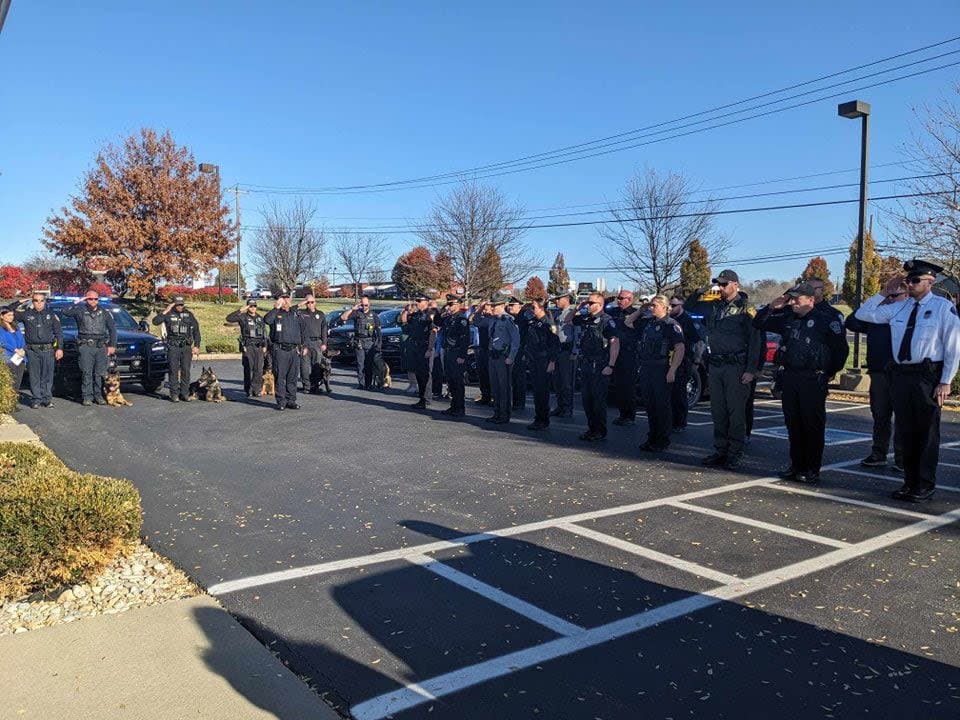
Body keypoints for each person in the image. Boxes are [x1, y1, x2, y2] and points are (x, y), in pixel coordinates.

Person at [855, 260, 960, 502]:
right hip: (901, 375)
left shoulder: (943, 308)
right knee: (906, 431)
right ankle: (909, 483)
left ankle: (924, 485)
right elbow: (864, 314)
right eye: (908, 281)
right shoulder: (899, 307)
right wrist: (884, 292)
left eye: (915, 280)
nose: (910, 285)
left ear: (930, 281)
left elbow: (953, 347)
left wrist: (946, 381)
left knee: (926, 433)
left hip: (927, 375)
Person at [755, 283, 849, 483]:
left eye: (798, 299)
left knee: (812, 425)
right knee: (793, 424)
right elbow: (759, 323)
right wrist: (771, 307)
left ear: (810, 300)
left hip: (812, 378)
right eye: (792, 298)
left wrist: (829, 372)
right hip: (790, 377)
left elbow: (840, 350)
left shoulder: (825, 320)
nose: (794, 302)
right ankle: (796, 465)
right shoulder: (788, 317)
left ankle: (812, 468)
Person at [685, 269, 761, 470]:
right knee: (718, 411)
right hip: (716, 365)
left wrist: (751, 369)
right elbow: (688, 306)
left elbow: (755, 341)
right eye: (719, 284)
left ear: (735, 284)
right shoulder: (713, 306)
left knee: (735, 413)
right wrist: (702, 289)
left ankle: (735, 452)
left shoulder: (747, 308)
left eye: (724, 284)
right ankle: (721, 450)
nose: (721, 287)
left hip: (736, 366)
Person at [846, 301, 904, 472]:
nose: (890, 299)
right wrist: (878, 298)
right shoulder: (874, 316)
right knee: (880, 415)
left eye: (895, 295)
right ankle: (879, 453)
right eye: (889, 295)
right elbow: (851, 321)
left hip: (901, 373)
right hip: (879, 373)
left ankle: (902, 458)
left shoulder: (907, 314)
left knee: (902, 417)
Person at [627, 295, 685, 452]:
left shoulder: (671, 325)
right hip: (647, 368)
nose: (652, 308)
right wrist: (641, 309)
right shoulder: (649, 323)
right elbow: (628, 322)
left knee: (661, 406)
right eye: (651, 306)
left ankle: (662, 440)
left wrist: (672, 370)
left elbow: (680, 348)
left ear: (665, 307)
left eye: (655, 306)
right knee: (650, 405)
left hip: (661, 368)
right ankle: (652, 437)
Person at [573, 292, 619, 441]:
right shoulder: (586, 318)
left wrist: (610, 365)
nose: (589, 305)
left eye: (592, 303)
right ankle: (591, 429)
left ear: (600, 304)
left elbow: (614, 343)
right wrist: (577, 308)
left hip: (600, 364)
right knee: (587, 400)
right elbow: (568, 321)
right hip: (586, 363)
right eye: (588, 302)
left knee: (598, 401)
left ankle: (600, 430)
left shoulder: (607, 321)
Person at [61, 290, 117, 406]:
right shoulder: (79, 311)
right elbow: (65, 311)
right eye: (90, 299)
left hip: (101, 346)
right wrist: (78, 301)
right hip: (86, 346)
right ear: (86, 299)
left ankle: (98, 396)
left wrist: (112, 345)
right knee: (86, 373)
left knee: (100, 373)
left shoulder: (105, 312)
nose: (93, 301)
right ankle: (87, 397)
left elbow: (112, 329)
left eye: (95, 299)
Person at [11, 291, 63, 408]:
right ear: (32, 302)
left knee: (47, 376)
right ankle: (36, 399)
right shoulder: (26, 314)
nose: (39, 303)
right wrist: (22, 300)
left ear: (45, 302)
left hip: (48, 349)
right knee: (34, 375)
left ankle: (47, 399)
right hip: (32, 350)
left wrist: (59, 348)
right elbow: (7, 310)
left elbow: (59, 333)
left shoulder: (51, 314)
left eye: (41, 300)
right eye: (35, 300)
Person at [152, 295, 201, 402]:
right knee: (173, 371)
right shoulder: (168, 314)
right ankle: (174, 394)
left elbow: (196, 331)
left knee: (186, 371)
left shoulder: (188, 314)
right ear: (174, 304)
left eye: (181, 304)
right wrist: (166, 310)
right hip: (173, 346)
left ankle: (185, 394)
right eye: (178, 304)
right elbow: (155, 321)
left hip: (186, 346)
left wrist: (197, 345)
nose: (180, 306)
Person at [265, 293, 307, 410]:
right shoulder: (275, 314)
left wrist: (303, 346)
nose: (285, 301)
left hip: (294, 350)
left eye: (287, 298)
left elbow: (303, 331)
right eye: (283, 299)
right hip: (280, 350)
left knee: (292, 377)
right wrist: (276, 307)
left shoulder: (295, 314)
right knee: (280, 377)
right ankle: (281, 401)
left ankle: (291, 400)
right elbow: (267, 320)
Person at [482, 297, 520, 424]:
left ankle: (504, 414)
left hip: (503, 358)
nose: (492, 308)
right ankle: (497, 412)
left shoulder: (509, 320)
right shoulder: (493, 319)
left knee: (504, 387)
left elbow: (515, 340)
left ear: (502, 305)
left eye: (495, 306)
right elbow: (476, 321)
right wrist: (481, 307)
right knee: (495, 386)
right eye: (491, 306)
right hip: (493, 356)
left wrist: (511, 357)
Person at [524, 299, 560, 430]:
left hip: (544, 360)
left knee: (542, 392)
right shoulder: (534, 322)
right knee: (536, 391)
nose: (531, 311)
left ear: (541, 309)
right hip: (534, 360)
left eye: (533, 308)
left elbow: (555, 344)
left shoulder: (548, 323)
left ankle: (543, 419)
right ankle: (538, 417)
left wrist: (552, 361)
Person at [668, 296, 701, 433]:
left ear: (681, 305)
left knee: (679, 393)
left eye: (674, 305)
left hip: (683, 360)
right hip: (670, 359)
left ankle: (680, 423)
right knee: (670, 393)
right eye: (670, 305)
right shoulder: (669, 320)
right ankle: (671, 421)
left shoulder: (686, 321)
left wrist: (696, 360)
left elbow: (698, 341)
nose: (671, 307)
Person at [608, 290, 640, 426]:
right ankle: (622, 414)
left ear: (630, 299)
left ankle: (630, 415)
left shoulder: (636, 313)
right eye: (618, 298)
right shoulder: (614, 312)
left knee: (628, 386)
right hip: (616, 352)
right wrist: (609, 299)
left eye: (622, 298)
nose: (619, 300)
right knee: (619, 386)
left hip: (629, 353)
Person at [226, 299, 268, 398]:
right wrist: (240, 310)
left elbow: (264, 332)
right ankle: (248, 389)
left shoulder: (259, 318)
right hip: (248, 345)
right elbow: (229, 318)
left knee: (259, 369)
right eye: (251, 306)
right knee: (248, 368)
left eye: (254, 306)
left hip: (259, 346)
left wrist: (265, 345)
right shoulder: (243, 317)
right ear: (247, 307)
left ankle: (256, 389)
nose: (253, 308)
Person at [400, 295, 436, 410]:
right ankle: (421, 398)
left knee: (426, 375)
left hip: (425, 347)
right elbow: (404, 324)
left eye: (420, 301)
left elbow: (433, 332)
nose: (418, 302)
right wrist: (406, 311)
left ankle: (426, 399)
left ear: (426, 302)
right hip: (416, 347)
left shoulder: (430, 314)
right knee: (419, 374)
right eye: (417, 301)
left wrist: (430, 349)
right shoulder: (416, 315)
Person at [340, 297, 383, 390]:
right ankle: (361, 384)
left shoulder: (374, 315)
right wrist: (352, 309)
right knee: (360, 364)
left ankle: (368, 384)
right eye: (362, 305)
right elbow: (343, 317)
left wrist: (379, 343)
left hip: (370, 342)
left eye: (366, 305)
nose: (364, 306)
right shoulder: (357, 313)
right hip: (359, 341)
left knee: (369, 364)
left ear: (369, 304)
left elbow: (379, 331)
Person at [439, 295, 471, 417]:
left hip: (457, 353)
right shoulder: (449, 319)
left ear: (458, 305)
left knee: (458, 381)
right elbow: (437, 322)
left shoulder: (461, 320)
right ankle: (454, 405)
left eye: (451, 305)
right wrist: (442, 314)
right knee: (451, 380)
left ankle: (460, 407)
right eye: (448, 304)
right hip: (448, 352)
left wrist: (462, 355)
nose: (449, 307)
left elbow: (465, 339)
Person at [551, 292, 578, 418]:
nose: (556, 302)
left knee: (567, 382)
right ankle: (560, 405)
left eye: (558, 299)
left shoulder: (572, 313)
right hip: (558, 350)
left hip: (568, 351)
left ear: (566, 299)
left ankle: (567, 408)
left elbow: (576, 333)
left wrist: (574, 351)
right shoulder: (557, 313)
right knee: (558, 381)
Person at [297, 294, 328, 394]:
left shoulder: (321, 314)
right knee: (304, 366)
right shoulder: (301, 314)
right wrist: (301, 303)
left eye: (312, 302)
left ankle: (315, 386)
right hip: (305, 343)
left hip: (317, 342)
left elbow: (324, 329)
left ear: (315, 302)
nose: (310, 304)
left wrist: (324, 343)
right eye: (308, 302)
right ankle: (307, 386)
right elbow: (292, 311)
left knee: (316, 366)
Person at [505, 297, 532, 410]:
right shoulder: (513, 318)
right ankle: (515, 401)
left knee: (519, 377)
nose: (510, 307)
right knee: (514, 377)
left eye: (513, 305)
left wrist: (526, 351)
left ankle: (519, 402)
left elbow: (528, 336)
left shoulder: (524, 318)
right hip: (513, 350)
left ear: (519, 306)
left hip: (521, 351)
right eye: (509, 305)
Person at [0, 307, 26, 405]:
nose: (11, 317)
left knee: (17, 380)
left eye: (12, 315)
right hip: (8, 357)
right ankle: (7, 403)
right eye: (9, 315)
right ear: (2, 316)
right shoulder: (1, 329)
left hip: (20, 356)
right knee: (10, 381)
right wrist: (15, 350)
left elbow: (22, 339)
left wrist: (22, 349)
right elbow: (2, 342)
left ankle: (13, 401)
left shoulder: (16, 326)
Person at [472, 300, 493, 405]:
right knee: (483, 374)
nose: (485, 309)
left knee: (491, 375)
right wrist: (480, 308)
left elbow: (475, 320)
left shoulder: (492, 319)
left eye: (487, 307)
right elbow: (474, 320)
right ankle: (486, 396)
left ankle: (492, 397)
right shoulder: (484, 319)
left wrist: (480, 309)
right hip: (483, 349)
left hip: (491, 350)